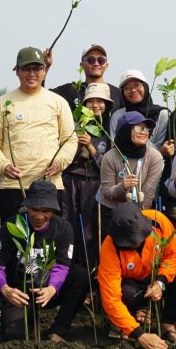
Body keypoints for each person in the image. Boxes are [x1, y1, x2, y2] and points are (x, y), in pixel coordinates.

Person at [0, 47, 76, 221]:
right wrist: (3, 165)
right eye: (26, 69)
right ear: (16, 70)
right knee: (14, 235)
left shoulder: (58, 102)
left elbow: (70, 140)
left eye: (37, 68)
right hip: (13, 185)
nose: (32, 74)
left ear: (44, 71)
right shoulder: (2, 103)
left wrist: (60, 162)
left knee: (48, 236)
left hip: (49, 184)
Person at [0, 181, 87, 343]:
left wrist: (52, 288)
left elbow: (62, 265)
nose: (39, 216)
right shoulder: (11, 226)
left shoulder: (63, 228)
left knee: (80, 275)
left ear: (53, 210)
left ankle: (59, 330)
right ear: (27, 207)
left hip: (47, 288)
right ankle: (27, 319)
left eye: (46, 211)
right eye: (34, 210)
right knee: (13, 335)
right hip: (19, 292)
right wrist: (5, 290)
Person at [98, 203, 176, 349]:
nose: (136, 243)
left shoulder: (158, 220)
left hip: (157, 275)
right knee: (127, 293)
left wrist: (160, 282)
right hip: (132, 285)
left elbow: (173, 254)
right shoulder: (109, 248)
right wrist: (139, 334)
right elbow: (111, 298)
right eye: (130, 242)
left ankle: (165, 320)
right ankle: (128, 321)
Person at [64, 82, 112, 268]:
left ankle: (91, 271)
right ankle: (67, 270)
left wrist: (91, 147)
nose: (95, 105)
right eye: (90, 101)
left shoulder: (109, 130)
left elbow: (107, 167)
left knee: (90, 229)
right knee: (69, 224)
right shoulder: (74, 126)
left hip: (94, 183)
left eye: (100, 101)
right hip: (71, 180)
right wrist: (78, 145)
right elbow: (65, 160)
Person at [99, 112, 164, 228]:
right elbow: (107, 192)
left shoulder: (155, 157)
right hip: (111, 211)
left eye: (146, 129)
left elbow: (148, 194)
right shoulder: (109, 156)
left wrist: (138, 220)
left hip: (140, 212)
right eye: (138, 128)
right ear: (125, 131)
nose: (143, 132)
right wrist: (122, 187)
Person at [109, 70, 170, 151]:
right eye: (127, 88)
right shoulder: (118, 116)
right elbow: (114, 147)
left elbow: (161, 145)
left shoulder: (162, 114)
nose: (133, 90)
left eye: (137, 85)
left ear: (145, 87)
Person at [52, 44, 123, 110]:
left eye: (101, 60)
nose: (96, 63)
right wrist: (46, 67)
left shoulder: (118, 94)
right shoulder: (71, 90)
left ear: (106, 65)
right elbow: (46, 96)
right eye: (91, 60)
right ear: (81, 65)